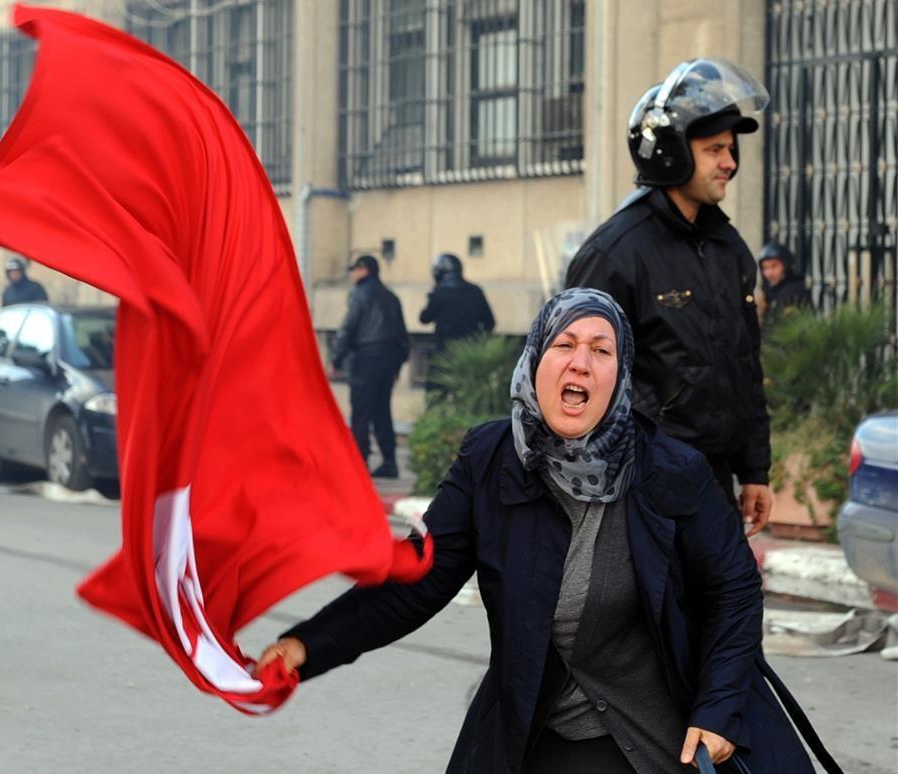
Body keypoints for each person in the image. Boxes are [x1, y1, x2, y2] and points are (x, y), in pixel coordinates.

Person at [259, 289, 839, 774]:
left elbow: (733, 591)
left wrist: (716, 710)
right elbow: (418, 578)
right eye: (563, 345)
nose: (579, 362)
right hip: (544, 729)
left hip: (669, 733)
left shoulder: (670, 469)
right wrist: (308, 645)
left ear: (621, 374)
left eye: (600, 350)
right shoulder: (490, 460)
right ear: (536, 359)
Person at [565, 58, 773, 535]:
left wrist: (755, 469)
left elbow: (744, 365)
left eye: (731, 148)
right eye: (715, 149)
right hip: (639, 483)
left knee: (728, 607)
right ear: (671, 152)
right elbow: (578, 377)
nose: (730, 162)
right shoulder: (614, 254)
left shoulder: (729, 248)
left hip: (711, 481)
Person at [329, 253, 409, 478]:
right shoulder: (392, 297)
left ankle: (358, 463)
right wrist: (397, 366)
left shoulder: (359, 294)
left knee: (361, 412)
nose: (353, 273)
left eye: (355, 269)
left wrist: (336, 359)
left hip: (366, 357)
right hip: (388, 358)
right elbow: (403, 335)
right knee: (382, 411)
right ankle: (390, 463)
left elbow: (348, 328)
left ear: (365, 269)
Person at [419, 252, 495, 395]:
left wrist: (431, 296)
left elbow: (424, 318)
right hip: (469, 352)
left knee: (436, 393)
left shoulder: (440, 293)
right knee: (468, 392)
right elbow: (490, 323)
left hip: (443, 352)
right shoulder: (475, 291)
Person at [757, 241, 813, 325]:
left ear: (786, 265)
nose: (769, 273)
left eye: (774, 266)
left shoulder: (794, 291)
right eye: (765, 268)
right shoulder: (772, 290)